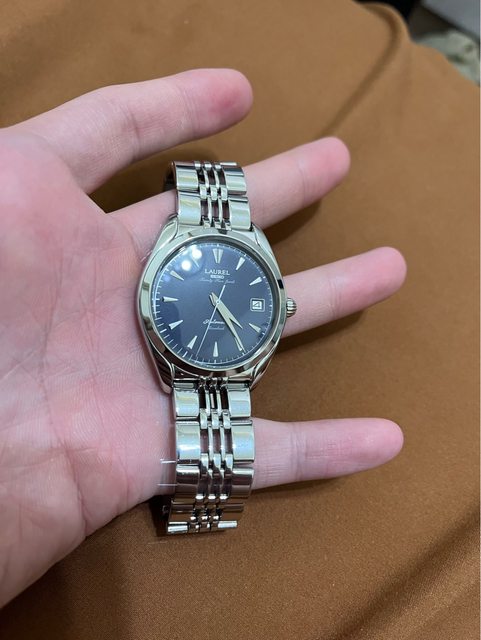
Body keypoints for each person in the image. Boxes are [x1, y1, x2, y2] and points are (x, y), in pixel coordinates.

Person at [0, 68, 407, 606]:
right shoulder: (169, 274)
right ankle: (200, 504)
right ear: (151, 286)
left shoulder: (260, 296)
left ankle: (200, 504)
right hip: (186, 357)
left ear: (279, 307)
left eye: (279, 305)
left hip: (230, 356)